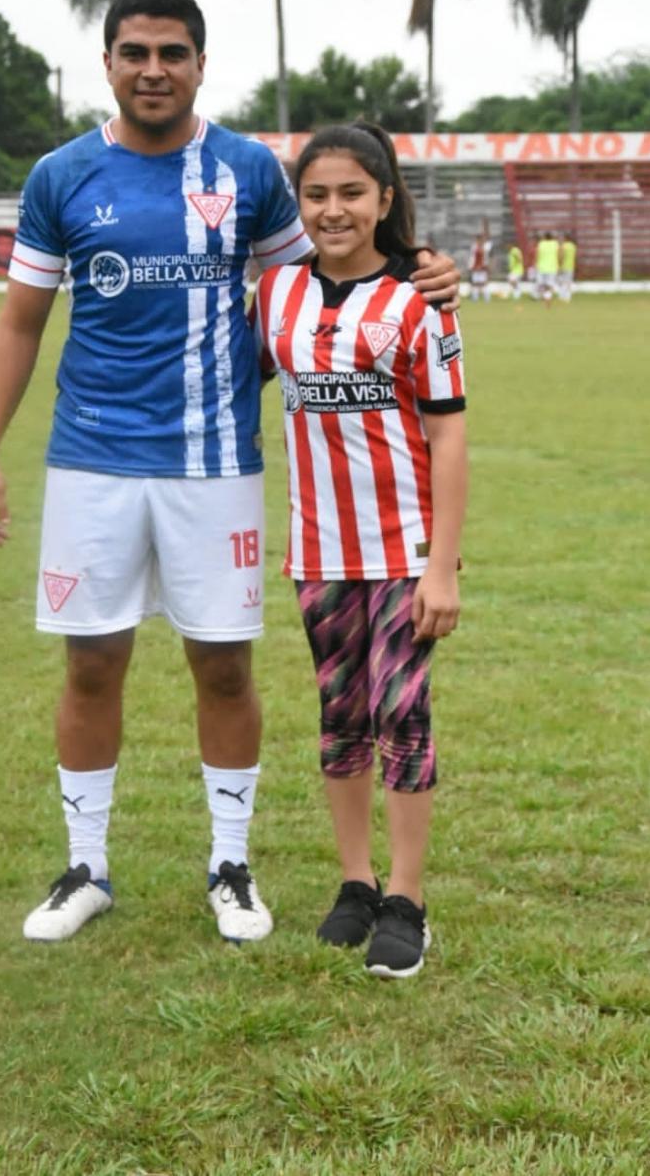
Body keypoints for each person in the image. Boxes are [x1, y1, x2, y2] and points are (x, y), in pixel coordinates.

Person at [0, 0, 460, 947]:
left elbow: (320, 279)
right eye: (135, 52)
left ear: (200, 62)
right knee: (92, 661)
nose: (154, 69)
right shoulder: (61, 175)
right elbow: (19, 322)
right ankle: (86, 866)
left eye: (173, 52)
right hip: (93, 460)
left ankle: (231, 866)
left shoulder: (249, 172)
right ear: (107, 61)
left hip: (217, 460)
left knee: (224, 668)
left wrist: (418, 268)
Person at [254, 122, 467, 979]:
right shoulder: (274, 294)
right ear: (298, 204)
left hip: (403, 548)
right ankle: (355, 882)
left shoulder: (424, 301)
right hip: (318, 550)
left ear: (384, 199)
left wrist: (442, 564)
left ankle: (407, 899)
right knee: (341, 716)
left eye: (351, 192)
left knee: (401, 714)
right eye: (316, 194)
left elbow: (448, 439)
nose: (333, 209)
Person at [535, 231, 559, 304]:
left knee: (540, 283)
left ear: (544, 237)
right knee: (549, 284)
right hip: (552, 267)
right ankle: (547, 296)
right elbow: (559, 254)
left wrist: (536, 263)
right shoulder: (555, 244)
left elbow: (537, 254)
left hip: (541, 266)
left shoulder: (541, 244)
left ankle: (543, 297)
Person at [468, 232, 490, 302]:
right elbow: (472, 258)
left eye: (480, 239)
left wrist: (484, 266)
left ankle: (487, 299)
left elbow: (485, 258)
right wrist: (471, 266)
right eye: (478, 239)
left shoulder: (485, 247)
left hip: (482, 268)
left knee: (483, 283)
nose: (479, 241)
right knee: (475, 283)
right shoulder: (474, 247)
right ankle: (475, 299)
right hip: (475, 267)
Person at [558, 232, 577, 302]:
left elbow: (561, 256)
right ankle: (568, 297)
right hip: (570, 266)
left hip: (564, 266)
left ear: (565, 238)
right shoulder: (573, 246)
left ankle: (562, 296)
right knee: (568, 282)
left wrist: (559, 265)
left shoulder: (563, 246)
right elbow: (574, 257)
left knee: (562, 281)